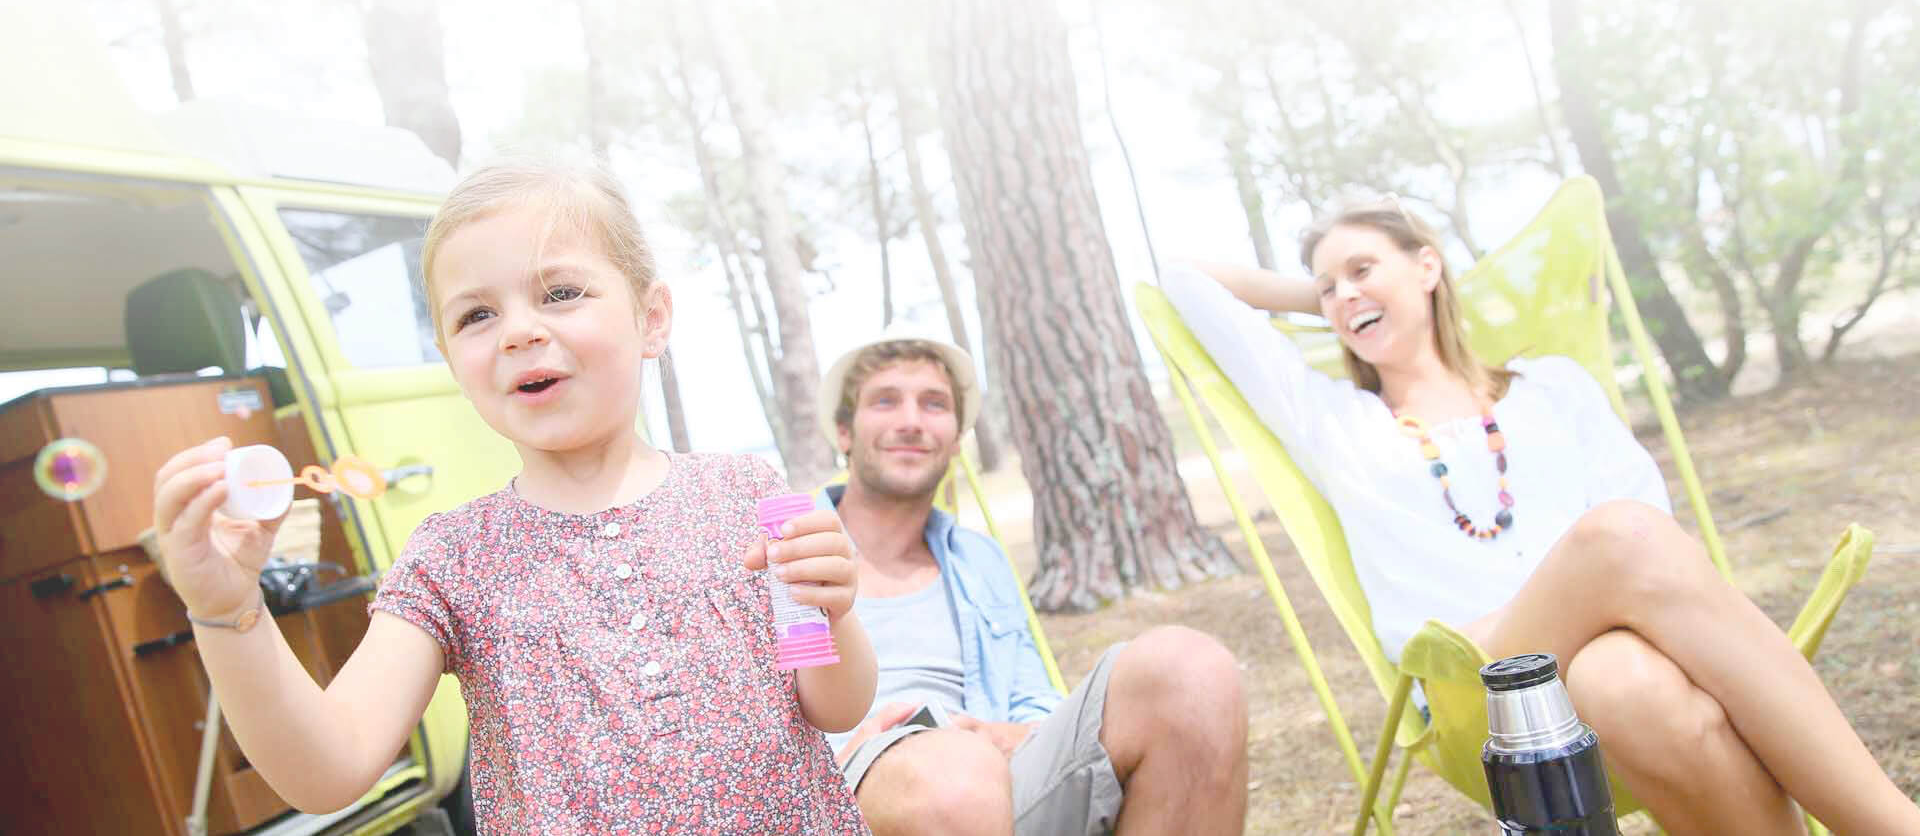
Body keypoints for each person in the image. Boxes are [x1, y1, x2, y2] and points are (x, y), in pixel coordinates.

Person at [149, 158, 876, 834]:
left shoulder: (745, 496)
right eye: (476, 315)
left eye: (560, 293)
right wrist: (226, 610)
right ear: (451, 360)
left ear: (651, 317)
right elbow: (329, 767)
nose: (520, 332)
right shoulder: (454, 558)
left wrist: (835, 615)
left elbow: (834, 704)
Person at [1163, 199, 1920, 836]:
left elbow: (1652, 528)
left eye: (1363, 269)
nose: (1343, 294)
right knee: (1617, 536)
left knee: (1626, 682)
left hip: (1603, 654)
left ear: (1428, 267)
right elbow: (1183, 277)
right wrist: (1332, 296)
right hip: (1474, 684)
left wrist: (1357, 289)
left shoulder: (1553, 388)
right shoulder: (1334, 422)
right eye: (1327, 286)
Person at [816, 332, 1249, 836]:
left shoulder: (979, 560)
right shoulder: (785, 558)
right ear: (844, 432)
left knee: (1193, 671)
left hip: (992, 785)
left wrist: (1004, 735)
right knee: (950, 772)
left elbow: (1032, 699)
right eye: (886, 401)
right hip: (843, 796)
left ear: (956, 438)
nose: (910, 420)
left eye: (933, 404)